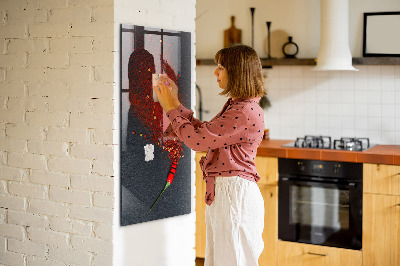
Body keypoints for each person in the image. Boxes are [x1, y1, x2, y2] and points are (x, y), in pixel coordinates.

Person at [155, 44, 266, 266]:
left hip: (234, 196)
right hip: (228, 194)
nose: (215, 72)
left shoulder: (243, 111)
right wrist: (175, 104)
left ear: (237, 71)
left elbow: (197, 141)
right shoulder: (238, 106)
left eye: (221, 67)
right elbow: (204, 133)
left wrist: (169, 108)